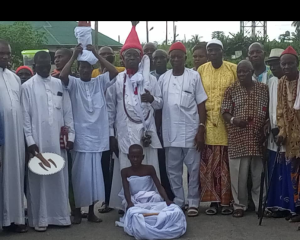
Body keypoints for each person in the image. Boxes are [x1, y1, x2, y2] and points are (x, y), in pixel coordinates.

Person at [107, 21, 162, 211]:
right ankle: (127, 206)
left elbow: (160, 103)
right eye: (127, 55)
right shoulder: (117, 81)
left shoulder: (151, 79)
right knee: (126, 169)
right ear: (122, 59)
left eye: (135, 55)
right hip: (124, 135)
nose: (131, 58)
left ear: (141, 58)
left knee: (149, 168)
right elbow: (110, 109)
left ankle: (150, 204)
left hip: (146, 134)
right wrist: (111, 134)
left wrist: (152, 99)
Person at [60, 43, 118, 224]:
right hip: (80, 138)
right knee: (78, 176)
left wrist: (96, 54)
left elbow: (114, 71)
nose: (85, 70)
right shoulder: (74, 83)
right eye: (82, 67)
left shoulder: (99, 82)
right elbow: (63, 75)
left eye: (88, 67)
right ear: (78, 69)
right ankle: (77, 212)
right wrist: (74, 55)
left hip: (97, 137)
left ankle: (92, 211)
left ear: (92, 69)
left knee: (95, 177)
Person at [21, 51, 75, 232]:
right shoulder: (27, 87)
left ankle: (61, 216)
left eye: (47, 65)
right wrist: (30, 141)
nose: (44, 68)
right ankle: (41, 218)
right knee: (40, 178)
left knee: (59, 177)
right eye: (40, 65)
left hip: (58, 141)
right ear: (34, 66)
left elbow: (68, 112)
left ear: (51, 64)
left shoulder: (59, 83)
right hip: (38, 141)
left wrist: (71, 136)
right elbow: (25, 117)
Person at [158, 41, 207, 217]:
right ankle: (179, 201)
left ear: (185, 58)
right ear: (169, 58)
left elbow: (201, 103)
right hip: (170, 133)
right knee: (173, 171)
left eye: (180, 56)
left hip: (191, 132)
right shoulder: (163, 78)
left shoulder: (194, 76)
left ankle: (193, 201)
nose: (176, 59)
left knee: (193, 170)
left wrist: (201, 129)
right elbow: (159, 105)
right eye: (173, 56)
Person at [221, 60, 269, 218]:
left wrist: (267, 124)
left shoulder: (263, 89)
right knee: (239, 176)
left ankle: (259, 204)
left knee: (258, 174)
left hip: (258, 138)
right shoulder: (231, 89)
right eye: (239, 71)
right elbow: (225, 111)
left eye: (245, 71)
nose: (241, 74)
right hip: (238, 138)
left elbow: (270, 111)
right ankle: (239, 205)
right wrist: (235, 120)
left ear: (252, 71)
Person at [198, 39, 236, 215]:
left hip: (228, 124)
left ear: (222, 51)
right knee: (210, 164)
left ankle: (226, 201)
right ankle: (213, 202)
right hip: (208, 124)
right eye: (210, 50)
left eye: (216, 50)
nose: (213, 53)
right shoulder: (201, 70)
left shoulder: (233, 68)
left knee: (225, 165)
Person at [118, 144, 186, 240]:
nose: (135, 159)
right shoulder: (125, 171)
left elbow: (158, 185)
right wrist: (129, 202)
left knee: (157, 198)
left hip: (149, 196)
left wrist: (167, 200)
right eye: (133, 157)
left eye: (138, 157)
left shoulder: (149, 168)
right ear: (128, 157)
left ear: (143, 157)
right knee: (128, 206)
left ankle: (154, 220)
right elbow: (126, 189)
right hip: (133, 198)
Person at [0, 40, 27, 233]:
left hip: (16, 138)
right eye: (2, 54)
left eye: (8, 54)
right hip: (2, 139)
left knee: (15, 177)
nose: (6, 57)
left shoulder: (14, 78)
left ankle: (15, 219)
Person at [264, 49, 294, 218]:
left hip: (290, 134)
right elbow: (270, 106)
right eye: (272, 64)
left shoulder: (292, 82)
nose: (275, 67)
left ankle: (293, 208)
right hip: (273, 134)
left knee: (290, 173)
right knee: (276, 173)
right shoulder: (272, 82)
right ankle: (278, 207)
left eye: (278, 64)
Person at [276, 46, 300, 227]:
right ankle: (297, 210)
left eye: (290, 63)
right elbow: (280, 111)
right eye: (283, 64)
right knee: (295, 174)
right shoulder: (281, 83)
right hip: (291, 138)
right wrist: (282, 132)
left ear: (297, 63)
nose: (286, 67)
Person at [150, 49, 174, 200]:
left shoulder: (172, 76)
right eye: (155, 58)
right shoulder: (148, 77)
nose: (158, 60)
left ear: (167, 59)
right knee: (155, 160)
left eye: (161, 57)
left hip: (169, 123)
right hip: (150, 124)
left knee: (168, 163)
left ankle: (169, 193)